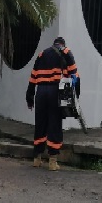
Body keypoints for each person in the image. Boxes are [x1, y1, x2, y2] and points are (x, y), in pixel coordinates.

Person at [26, 37, 79, 171]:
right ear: (63, 44)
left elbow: (32, 78)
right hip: (56, 91)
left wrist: (29, 97)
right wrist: (76, 97)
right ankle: (52, 161)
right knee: (54, 124)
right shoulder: (66, 52)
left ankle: (37, 159)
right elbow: (75, 76)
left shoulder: (41, 54)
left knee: (40, 123)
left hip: (41, 92)